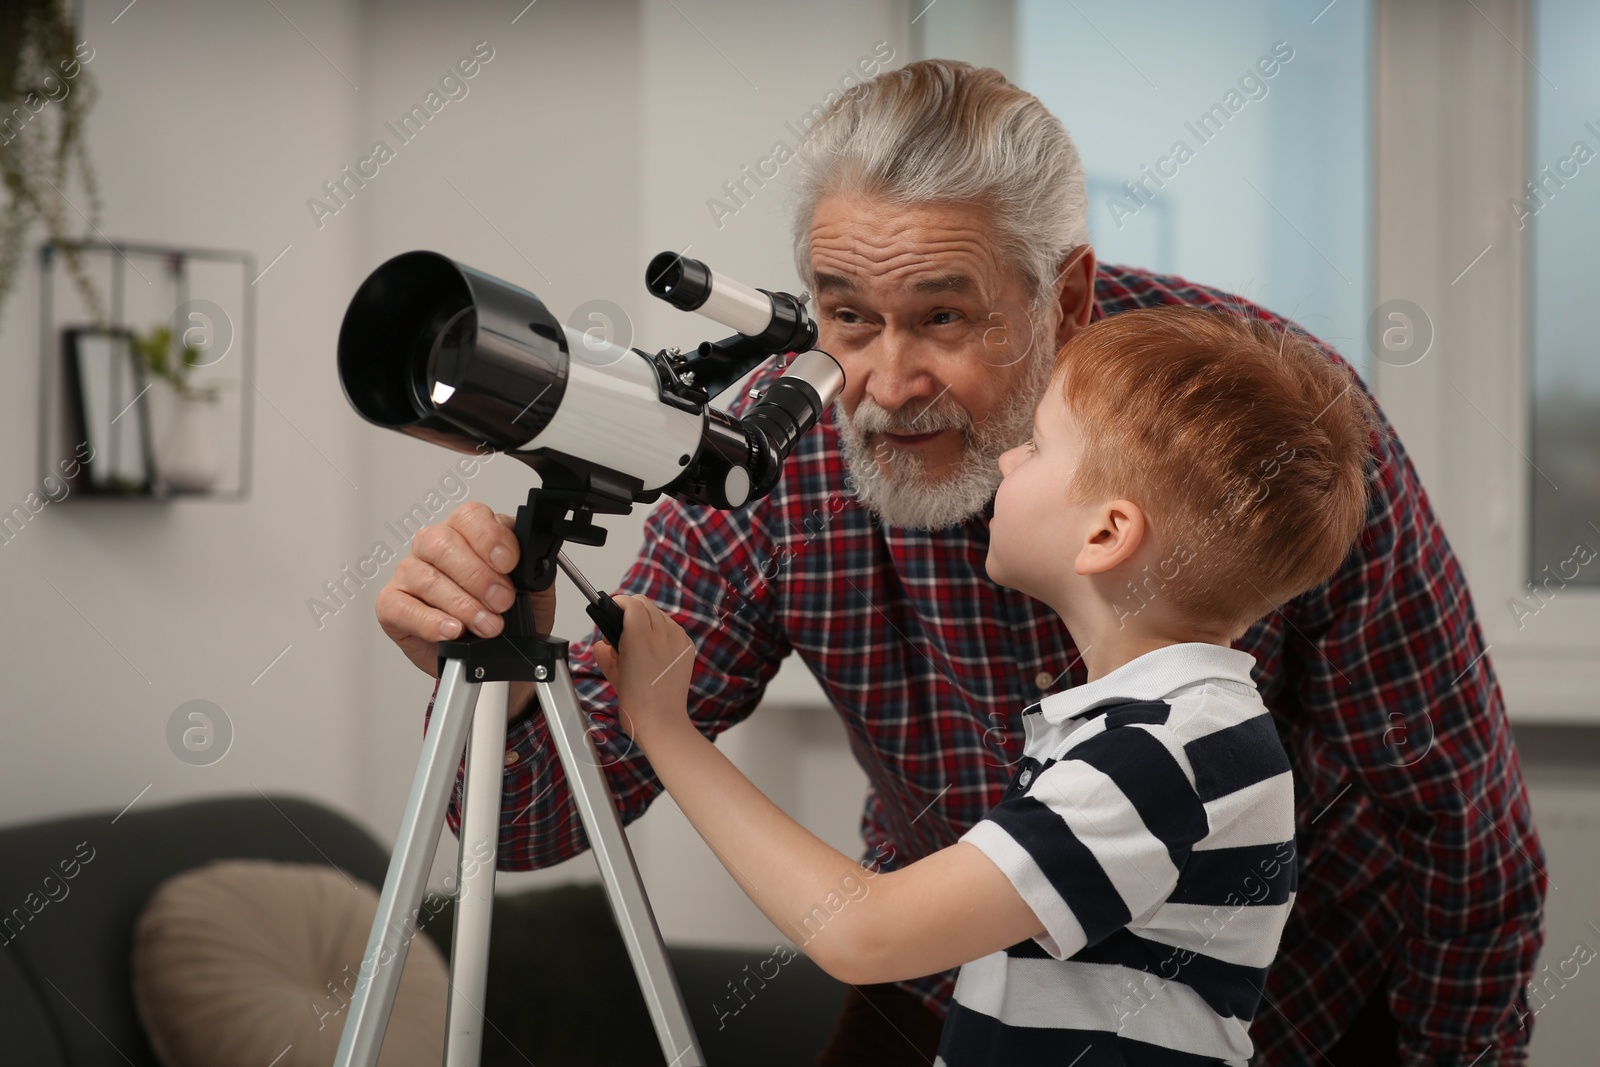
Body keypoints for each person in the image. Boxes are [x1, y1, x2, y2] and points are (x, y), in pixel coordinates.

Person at [376, 59, 1547, 1064]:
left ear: (1064, 296)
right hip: (959, 987)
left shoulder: (1250, 418)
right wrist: (500, 657)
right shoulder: (767, 450)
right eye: (845, 315)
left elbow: (1457, 828)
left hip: (1272, 1009)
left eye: (943, 318)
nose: (884, 386)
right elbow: (524, 825)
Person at [588, 305, 1377, 1065]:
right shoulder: (1167, 728)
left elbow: (865, 934)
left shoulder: (1163, 755)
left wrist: (666, 728)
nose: (1004, 461)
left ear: (1106, 533)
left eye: (1035, 446)